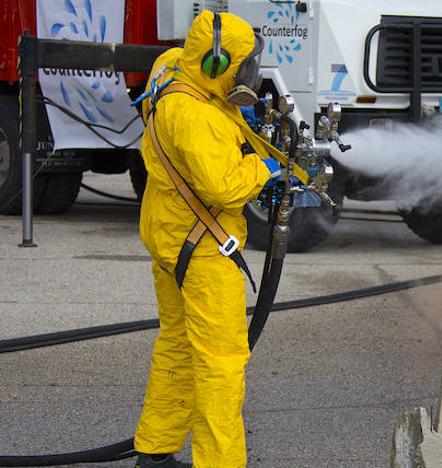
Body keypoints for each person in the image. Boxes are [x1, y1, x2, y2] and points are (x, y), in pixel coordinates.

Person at [132, 10, 282, 468]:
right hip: (203, 250)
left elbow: (184, 71)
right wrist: (265, 168)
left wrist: (235, 109)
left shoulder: (172, 67)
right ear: (216, 65)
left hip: (168, 234)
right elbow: (225, 186)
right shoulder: (197, 117)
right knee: (220, 362)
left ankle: (154, 451)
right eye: (243, 67)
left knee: (176, 342)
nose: (249, 76)